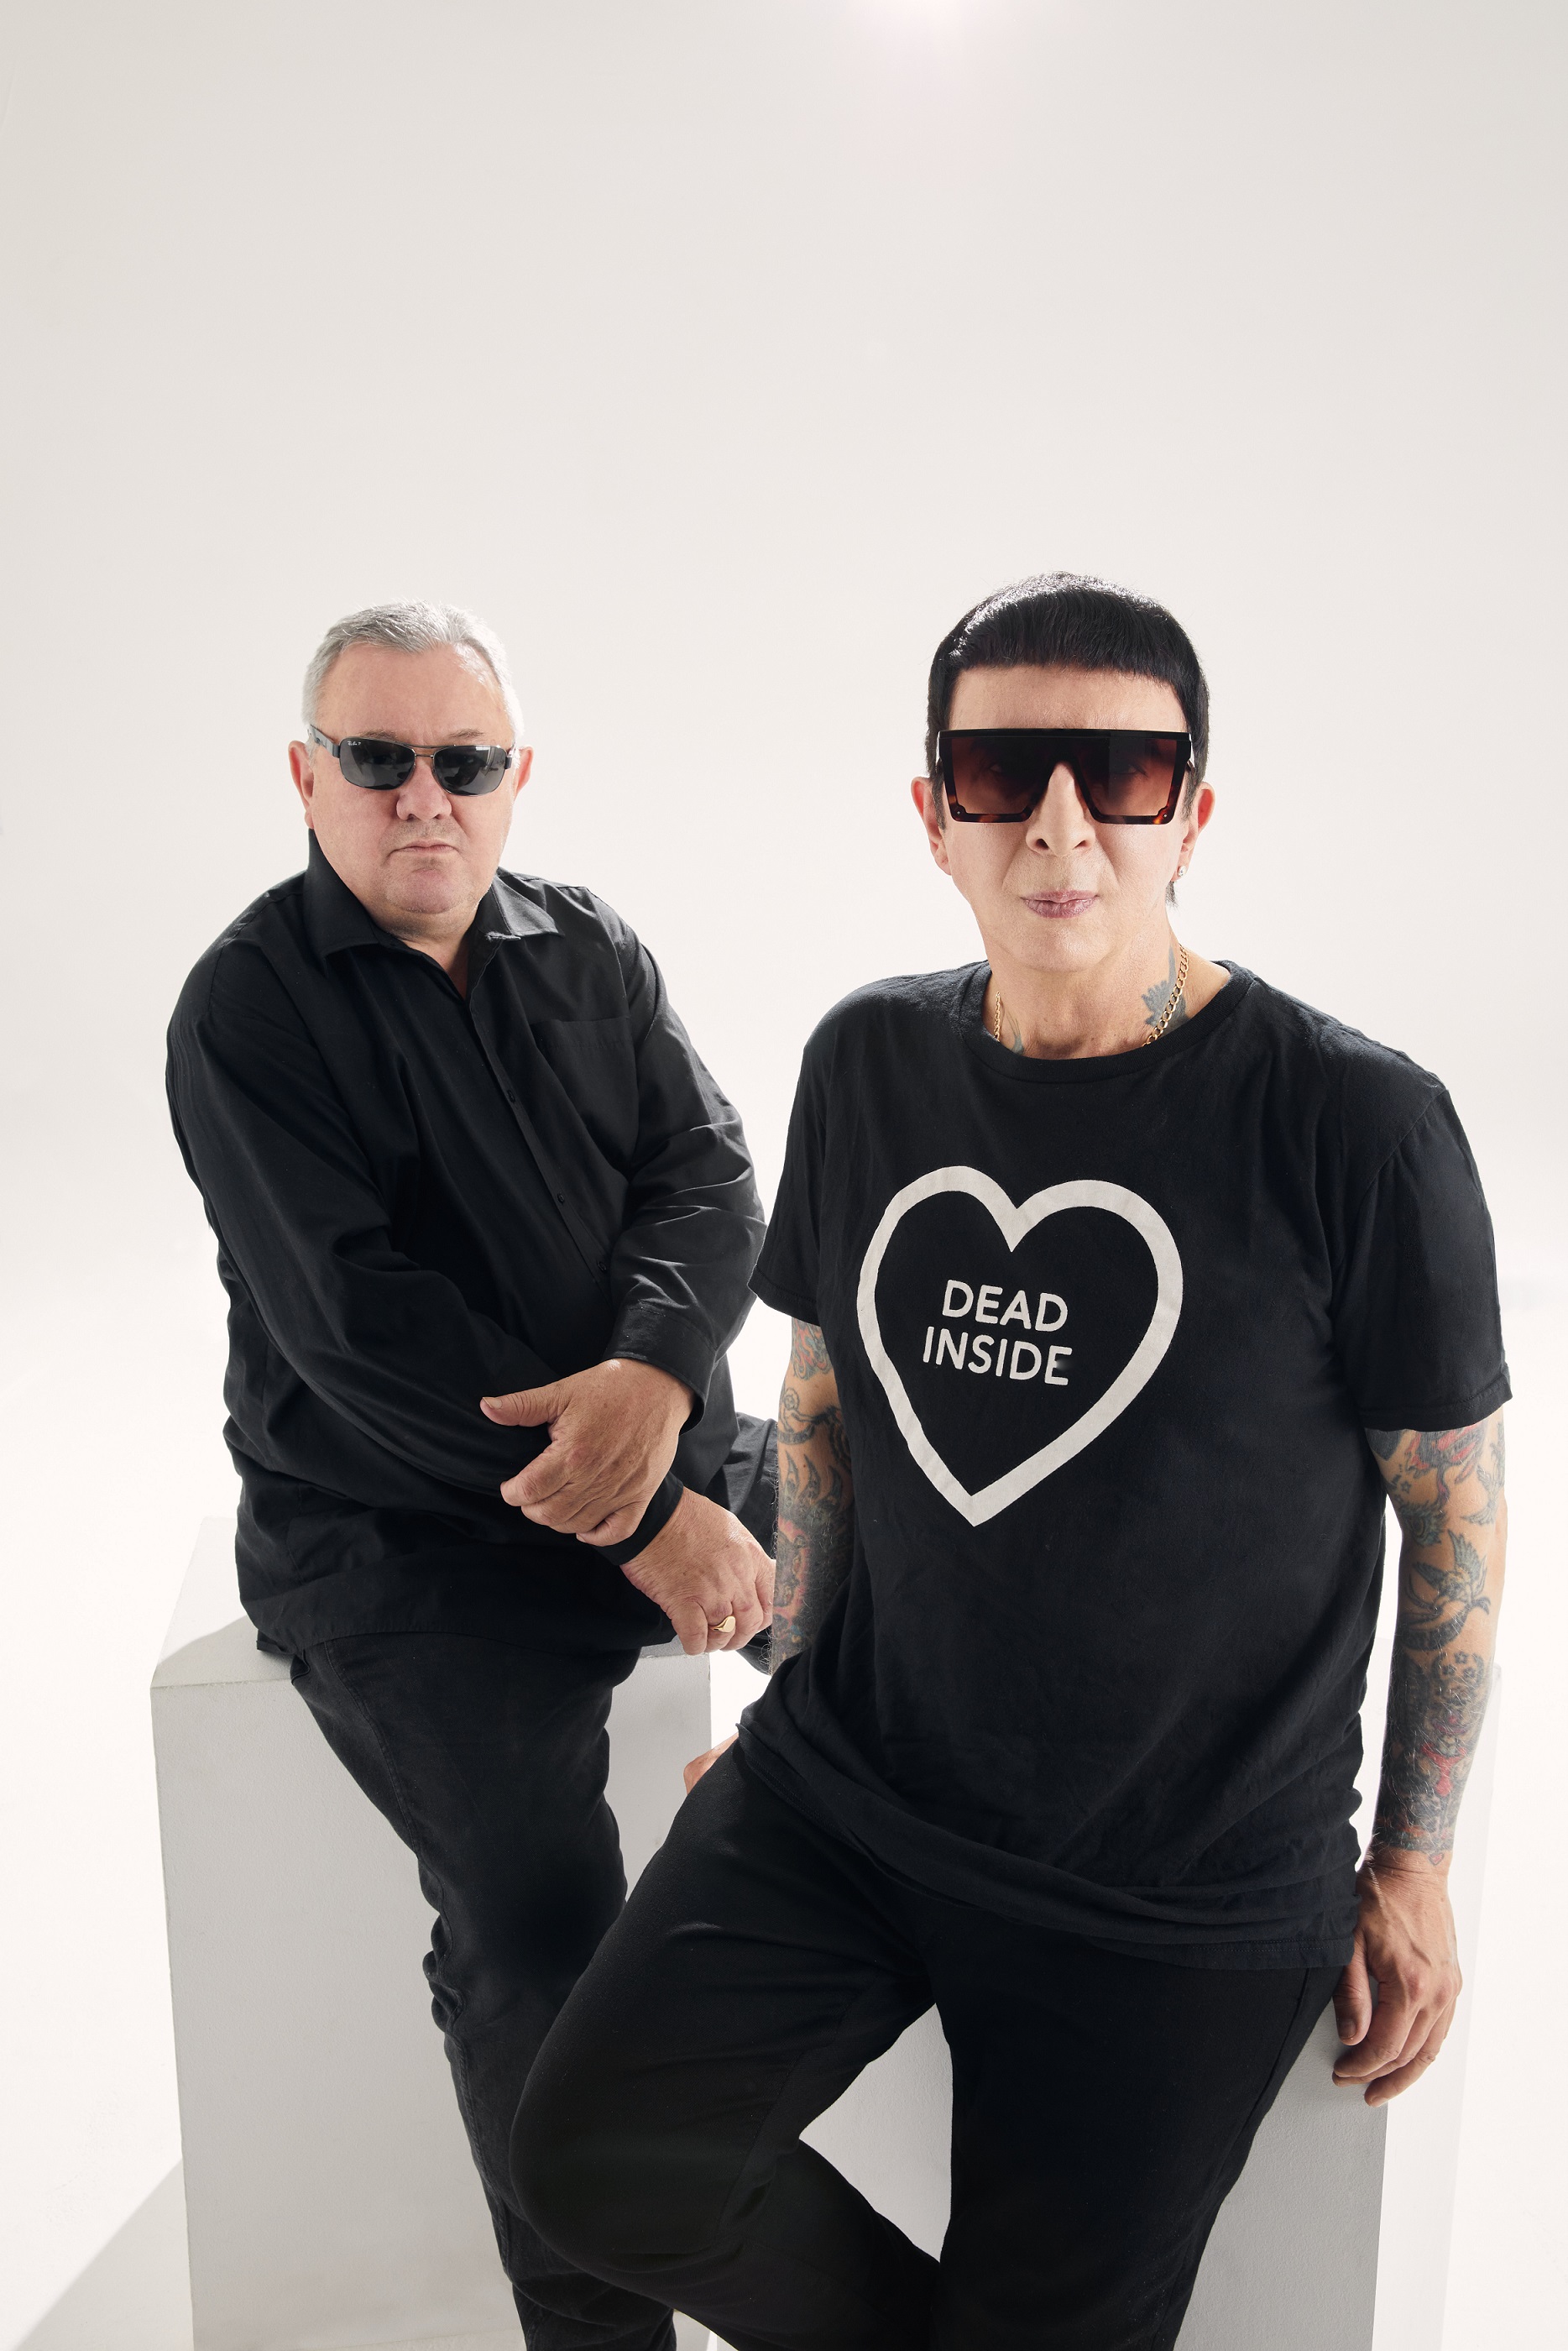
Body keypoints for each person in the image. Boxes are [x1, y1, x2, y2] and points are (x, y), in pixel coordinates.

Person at [508, 573, 1510, 2351]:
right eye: (1001, 770)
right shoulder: (869, 1057)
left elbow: (1452, 1513)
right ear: (934, 813)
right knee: (597, 2167)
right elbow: (822, 1407)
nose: (1059, 822)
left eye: (1119, 773)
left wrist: (1416, 1858)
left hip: (1174, 1891)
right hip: (854, 1796)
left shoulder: (1356, 1122)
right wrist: (791, 1702)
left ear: (1192, 810)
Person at [166, 600, 775, 2351]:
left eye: (463, 759)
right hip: (399, 1538)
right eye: (377, 758)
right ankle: (596, 2329)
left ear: (516, 777)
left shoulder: (590, 946)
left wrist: (653, 1376)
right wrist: (642, 1520)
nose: (422, 795)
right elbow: (359, 1326)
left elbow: (708, 1176)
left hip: (664, 1449)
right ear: (307, 777)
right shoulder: (245, 1009)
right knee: (534, 1928)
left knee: (958, 1625)